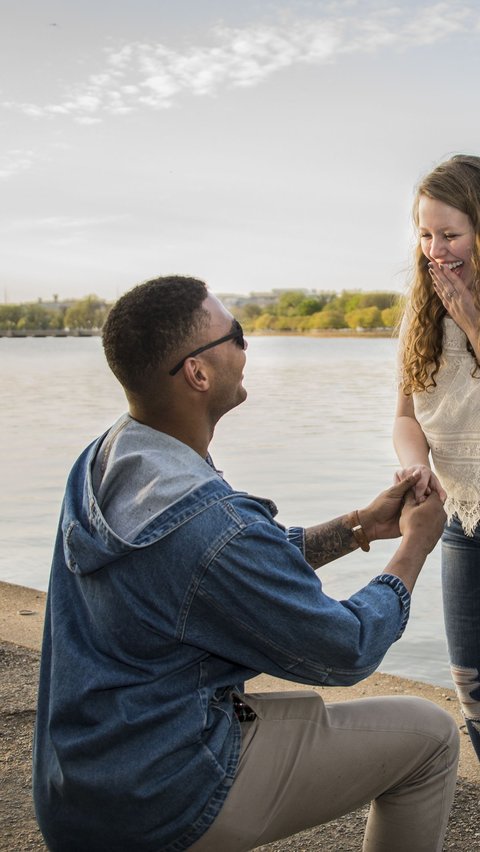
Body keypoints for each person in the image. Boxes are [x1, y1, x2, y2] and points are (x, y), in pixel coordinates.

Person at [33, 275, 458, 852]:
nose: (247, 344)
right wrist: (414, 547)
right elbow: (346, 648)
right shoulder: (206, 524)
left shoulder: (107, 460)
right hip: (160, 799)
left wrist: (360, 525)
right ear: (198, 374)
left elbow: (220, 573)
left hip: (81, 785)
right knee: (430, 734)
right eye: (234, 334)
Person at [394, 153, 480, 762]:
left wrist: (471, 318)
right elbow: (406, 415)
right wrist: (413, 463)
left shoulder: (462, 306)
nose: (435, 249)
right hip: (464, 517)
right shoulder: (419, 311)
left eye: (451, 234)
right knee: (470, 682)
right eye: (426, 234)